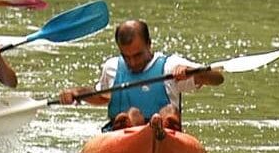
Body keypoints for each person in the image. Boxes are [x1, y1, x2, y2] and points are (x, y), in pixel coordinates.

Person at [56, 19, 224, 132]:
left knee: (169, 111)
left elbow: (217, 79)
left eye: (137, 55)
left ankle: (159, 127)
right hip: (122, 135)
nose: (133, 62)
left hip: (165, 133)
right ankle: (133, 125)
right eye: (126, 57)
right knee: (132, 114)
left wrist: (192, 71)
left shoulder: (170, 66)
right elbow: (102, 96)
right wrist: (76, 93)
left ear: (149, 44)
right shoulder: (112, 67)